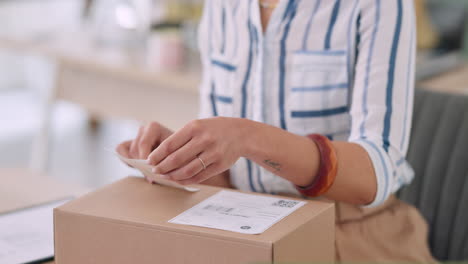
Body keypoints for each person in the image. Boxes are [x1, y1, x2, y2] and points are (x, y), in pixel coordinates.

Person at [117, 0, 435, 262]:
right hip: (248, 227)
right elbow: (230, 172)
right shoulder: (221, 8)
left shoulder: (380, 6)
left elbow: (374, 174)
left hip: (350, 233)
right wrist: (181, 157)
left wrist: (246, 136)